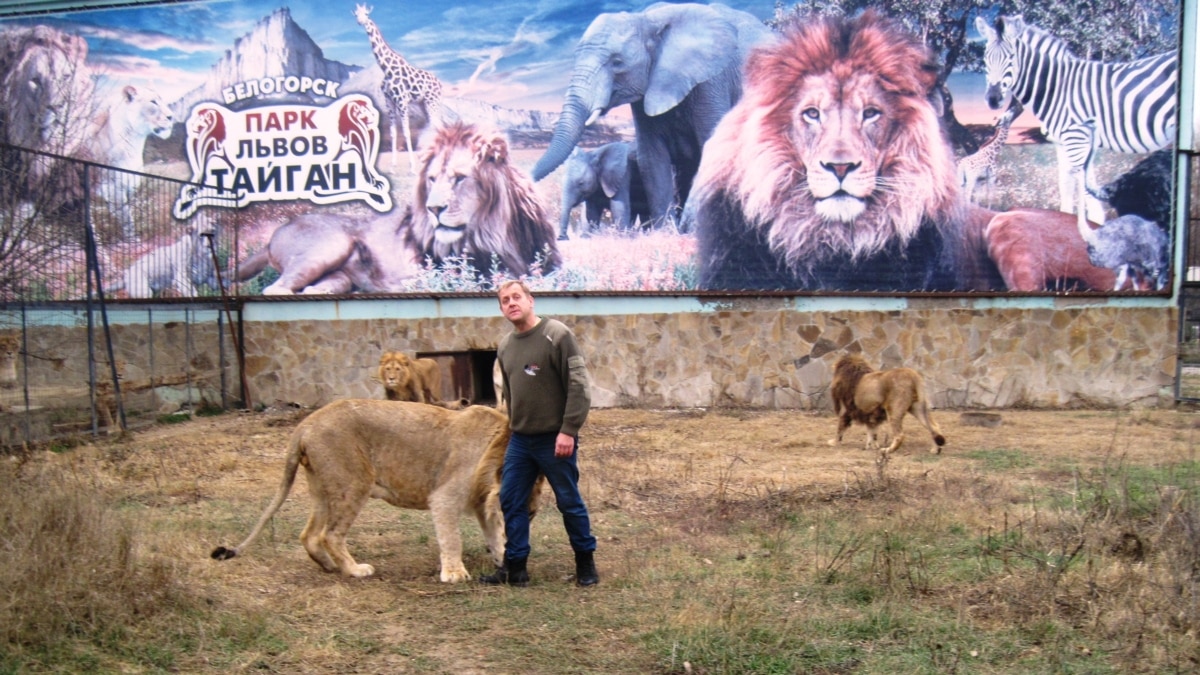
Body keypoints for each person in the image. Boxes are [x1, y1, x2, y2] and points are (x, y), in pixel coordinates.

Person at [481, 279, 598, 587]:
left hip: (555, 438)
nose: (511, 303)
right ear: (502, 308)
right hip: (520, 440)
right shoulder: (506, 347)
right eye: (505, 300)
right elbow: (510, 395)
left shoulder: (556, 335)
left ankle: (585, 563)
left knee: (568, 500)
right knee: (510, 499)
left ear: (530, 300)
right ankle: (515, 567)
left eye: (516, 297)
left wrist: (568, 431)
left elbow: (579, 387)